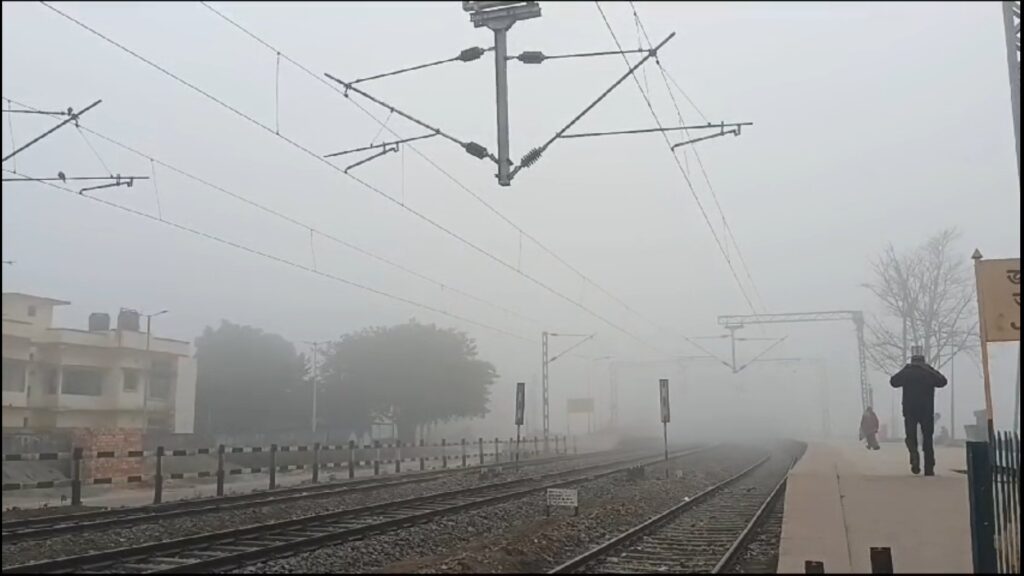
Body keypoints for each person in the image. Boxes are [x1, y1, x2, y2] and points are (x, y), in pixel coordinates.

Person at [890, 347, 948, 475]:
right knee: (927, 438)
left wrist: (905, 369)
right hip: (926, 410)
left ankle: (914, 455)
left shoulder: (907, 372)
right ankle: (929, 467)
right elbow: (943, 381)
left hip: (909, 410)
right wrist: (929, 369)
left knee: (910, 436)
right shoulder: (927, 372)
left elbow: (893, 382)